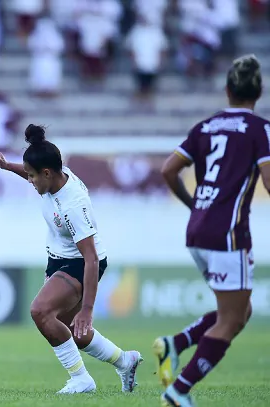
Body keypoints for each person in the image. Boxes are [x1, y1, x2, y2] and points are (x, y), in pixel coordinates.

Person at [0, 125, 143, 394]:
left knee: (40, 311)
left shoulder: (73, 205)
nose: (31, 181)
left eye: (33, 176)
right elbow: (34, 171)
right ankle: (124, 360)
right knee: (74, 333)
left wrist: (88, 309)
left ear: (47, 173)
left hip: (81, 263)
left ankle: (81, 379)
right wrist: (8, 166)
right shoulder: (56, 174)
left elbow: (91, 258)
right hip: (58, 258)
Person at [155, 54, 270, 407]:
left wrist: (194, 205)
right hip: (229, 233)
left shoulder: (205, 127)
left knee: (238, 310)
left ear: (227, 90)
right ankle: (179, 391)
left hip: (197, 231)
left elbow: (168, 171)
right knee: (232, 320)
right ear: (259, 91)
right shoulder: (260, 130)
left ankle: (175, 344)